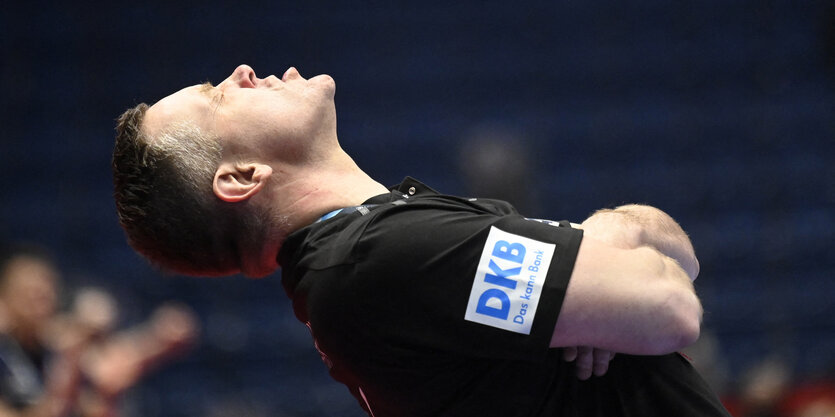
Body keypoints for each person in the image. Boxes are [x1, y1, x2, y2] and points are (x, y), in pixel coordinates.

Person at [112, 64, 730, 416]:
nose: (241, 72)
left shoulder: (379, 244)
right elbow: (668, 307)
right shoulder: (375, 259)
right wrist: (611, 258)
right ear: (242, 177)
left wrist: (611, 246)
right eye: (219, 97)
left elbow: (675, 258)